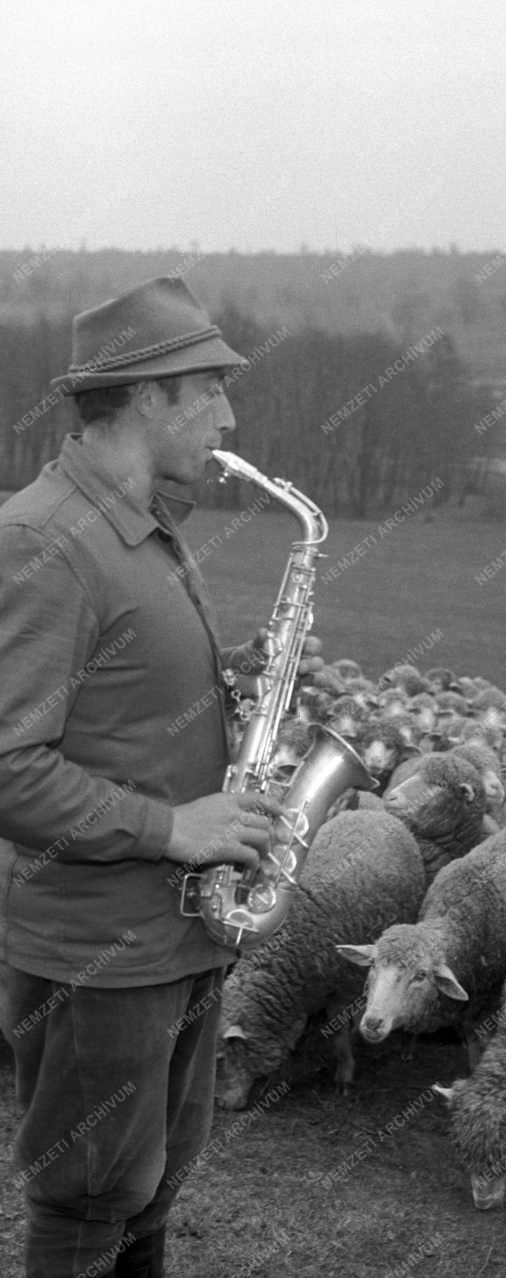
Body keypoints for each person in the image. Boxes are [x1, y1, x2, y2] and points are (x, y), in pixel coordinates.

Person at [0, 276, 323, 1278]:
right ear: (153, 395)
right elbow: (8, 765)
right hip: (100, 954)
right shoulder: (46, 540)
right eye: (214, 390)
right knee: (91, 1203)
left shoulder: (142, 522)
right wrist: (174, 828)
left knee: (148, 1192)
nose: (229, 415)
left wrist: (239, 690)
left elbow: (115, 704)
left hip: (176, 938)